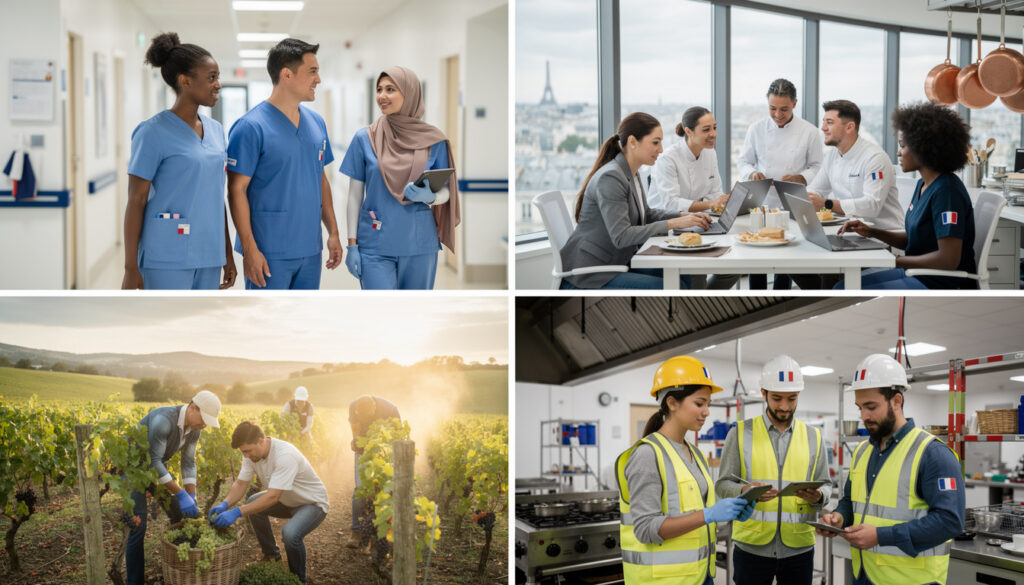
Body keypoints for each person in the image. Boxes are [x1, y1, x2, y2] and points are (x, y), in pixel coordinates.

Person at [816, 354, 964, 585]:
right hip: (864, 575)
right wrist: (839, 518)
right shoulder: (862, 452)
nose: (864, 416)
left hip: (912, 580)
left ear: (896, 401)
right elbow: (851, 501)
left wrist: (880, 536)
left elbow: (949, 521)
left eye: (871, 406)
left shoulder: (933, 454)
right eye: (860, 407)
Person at [617, 355, 754, 585]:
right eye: (700, 403)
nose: (707, 411)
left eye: (708, 404)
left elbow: (696, 516)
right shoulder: (647, 455)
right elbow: (645, 528)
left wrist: (728, 514)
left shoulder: (696, 454)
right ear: (672, 402)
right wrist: (710, 514)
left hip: (701, 576)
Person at [227, 38, 342, 289]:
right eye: (312, 71)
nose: (318, 80)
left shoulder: (316, 123)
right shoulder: (250, 127)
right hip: (268, 251)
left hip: (310, 249)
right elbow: (236, 190)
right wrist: (249, 250)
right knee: (267, 324)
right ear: (287, 74)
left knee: (301, 324)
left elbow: (320, 179)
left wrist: (333, 231)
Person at [123, 33, 235, 290]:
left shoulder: (216, 131)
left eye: (217, 77)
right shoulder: (152, 132)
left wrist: (227, 254)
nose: (218, 84)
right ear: (185, 81)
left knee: (201, 329)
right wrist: (131, 268)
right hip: (165, 255)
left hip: (209, 253)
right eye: (211, 77)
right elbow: (136, 200)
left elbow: (218, 198)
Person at [339, 66, 460, 289]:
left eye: (390, 89)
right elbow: (354, 196)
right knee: (381, 313)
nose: (382, 96)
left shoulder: (434, 140)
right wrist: (352, 245)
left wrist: (431, 197)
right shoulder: (365, 138)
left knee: (414, 313)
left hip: (419, 244)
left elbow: (447, 192)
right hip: (374, 244)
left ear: (410, 93)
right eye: (379, 89)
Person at [560, 112, 712, 289]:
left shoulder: (632, 172)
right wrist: (675, 223)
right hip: (592, 272)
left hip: (617, 262)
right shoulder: (611, 177)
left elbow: (646, 214)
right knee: (673, 286)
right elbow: (622, 236)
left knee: (683, 273)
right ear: (633, 142)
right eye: (655, 142)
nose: (661, 149)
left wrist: (683, 215)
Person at [714, 355, 830, 585]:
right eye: (777, 398)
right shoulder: (738, 433)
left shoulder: (814, 436)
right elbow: (723, 485)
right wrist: (745, 490)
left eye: (792, 398)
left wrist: (819, 496)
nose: (785, 407)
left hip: (799, 548)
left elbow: (825, 484)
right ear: (764, 393)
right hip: (751, 547)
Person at [835, 102, 976, 290]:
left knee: (844, 290)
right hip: (917, 273)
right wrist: (872, 232)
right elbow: (914, 240)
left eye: (902, 146)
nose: (898, 152)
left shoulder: (947, 191)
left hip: (938, 282)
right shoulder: (923, 185)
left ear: (923, 147)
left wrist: (896, 261)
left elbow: (948, 260)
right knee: (843, 286)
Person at [210, 421, 329, 584]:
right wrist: (224, 504)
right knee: (253, 502)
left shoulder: (284, 455)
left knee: (290, 534)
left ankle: (297, 579)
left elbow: (273, 496)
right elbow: (240, 483)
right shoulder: (251, 454)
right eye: (243, 452)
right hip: (286, 500)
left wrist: (237, 512)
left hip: (311, 503)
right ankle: (272, 556)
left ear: (261, 440)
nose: (245, 456)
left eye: (247, 451)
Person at [126, 391, 221, 585]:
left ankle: (182, 569)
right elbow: (153, 461)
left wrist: (191, 495)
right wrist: (180, 493)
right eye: (203, 419)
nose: (204, 425)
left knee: (180, 514)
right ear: (193, 407)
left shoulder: (195, 428)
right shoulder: (164, 420)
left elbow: (188, 462)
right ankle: (134, 582)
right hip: (134, 470)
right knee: (138, 527)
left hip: (157, 469)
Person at [737, 79, 823, 290]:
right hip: (761, 200)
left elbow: (818, 166)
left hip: (791, 201)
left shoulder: (809, 132)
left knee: (786, 256)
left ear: (794, 103)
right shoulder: (756, 129)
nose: (777, 114)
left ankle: (780, 296)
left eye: (783, 109)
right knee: (757, 257)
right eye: (772, 108)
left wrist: (801, 178)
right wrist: (752, 172)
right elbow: (743, 161)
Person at [807, 100, 903, 229]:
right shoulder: (832, 155)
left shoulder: (875, 158)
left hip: (885, 236)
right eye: (823, 122)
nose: (823, 128)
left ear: (849, 127)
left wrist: (827, 204)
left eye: (829, 122)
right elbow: (815, 189)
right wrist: (808, 198)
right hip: (852, 231)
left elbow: (872, 205)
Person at [648, 106, 730, 214]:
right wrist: (711, 203)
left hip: (695, 218)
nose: (713, 134)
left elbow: (715, 192)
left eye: (714, 128)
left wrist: (725, 201)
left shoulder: (710, 153)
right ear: (688, 131)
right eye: (706, 129)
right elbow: (671, 203)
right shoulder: (668, 159)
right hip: (665, 222)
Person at [345, 395, 401, 548]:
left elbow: (398, 437)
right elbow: (355, 430)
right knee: (360, 489)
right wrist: (357, 442)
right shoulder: (354, 406)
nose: (363, 419)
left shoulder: (390, 410)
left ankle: (385, 530)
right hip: (364, 450)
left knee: (385, 491)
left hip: (385, 450)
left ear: (374, 409)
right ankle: (356, 531)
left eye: (366, 417)